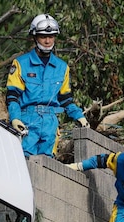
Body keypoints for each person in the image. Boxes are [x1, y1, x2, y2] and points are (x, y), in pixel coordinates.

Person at [6, 13, 88, 158]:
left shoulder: (62, 67)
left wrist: (79, 116)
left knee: (47, 164)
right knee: (24, 160)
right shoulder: (21, 64)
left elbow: (66, 99)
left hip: (51, 122)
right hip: (27, 121)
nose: (48, 40)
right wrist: (15, 118)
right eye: (43, 36)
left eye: (51, 37)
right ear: (35, 36)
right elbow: (13, 97)